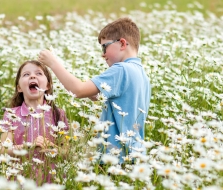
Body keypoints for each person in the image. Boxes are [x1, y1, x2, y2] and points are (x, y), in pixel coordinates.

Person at [38, 17, 151, 163]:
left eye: (105, 47)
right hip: (135, 155)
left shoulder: (121, 70)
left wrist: (53, 63)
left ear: (122, 43)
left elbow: (78, 90)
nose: (102, 54)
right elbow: (112, 100)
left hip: (114, 157)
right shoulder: (142, 74)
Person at [0, 60, 69, 184]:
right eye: (26, 74)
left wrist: (51, 147)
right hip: (19, 181)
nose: (32, 76)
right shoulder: (11, 114)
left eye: (39, 73)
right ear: (19, 88)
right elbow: (3, 150)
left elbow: (66, 153)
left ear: (48, 85)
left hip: (51, 182)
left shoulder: (58, 114)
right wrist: (29, 146)